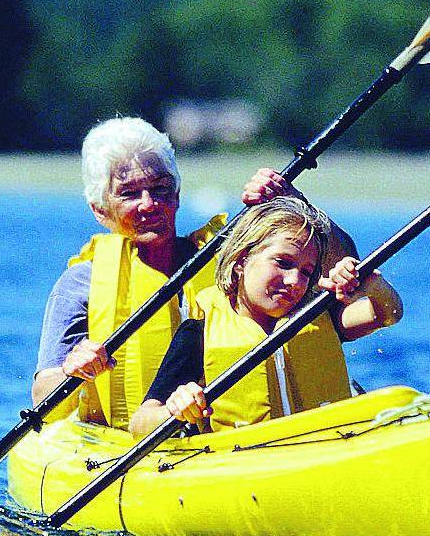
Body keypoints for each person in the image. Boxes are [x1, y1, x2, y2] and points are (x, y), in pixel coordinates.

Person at [32, 116, 357, 430]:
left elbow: (348, 266)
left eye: (160, 189)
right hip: (132, 439)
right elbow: (42, 397)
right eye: (130, 194)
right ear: (100, 209)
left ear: (177, 194)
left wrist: (294, 203)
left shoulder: (234, 256)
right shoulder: (81, 282)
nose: (149, 204)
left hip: (230, 433)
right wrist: (73, 371)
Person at [128, 196, 402, 436]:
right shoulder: (198, 334)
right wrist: (175, 410)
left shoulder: (317, 315)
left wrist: (373, 286)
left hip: (326, 447)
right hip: (246, 463)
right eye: (283, 263)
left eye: (306, 272)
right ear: (240, 261)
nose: (295, 280)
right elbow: (140, 422)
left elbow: (388, 313)